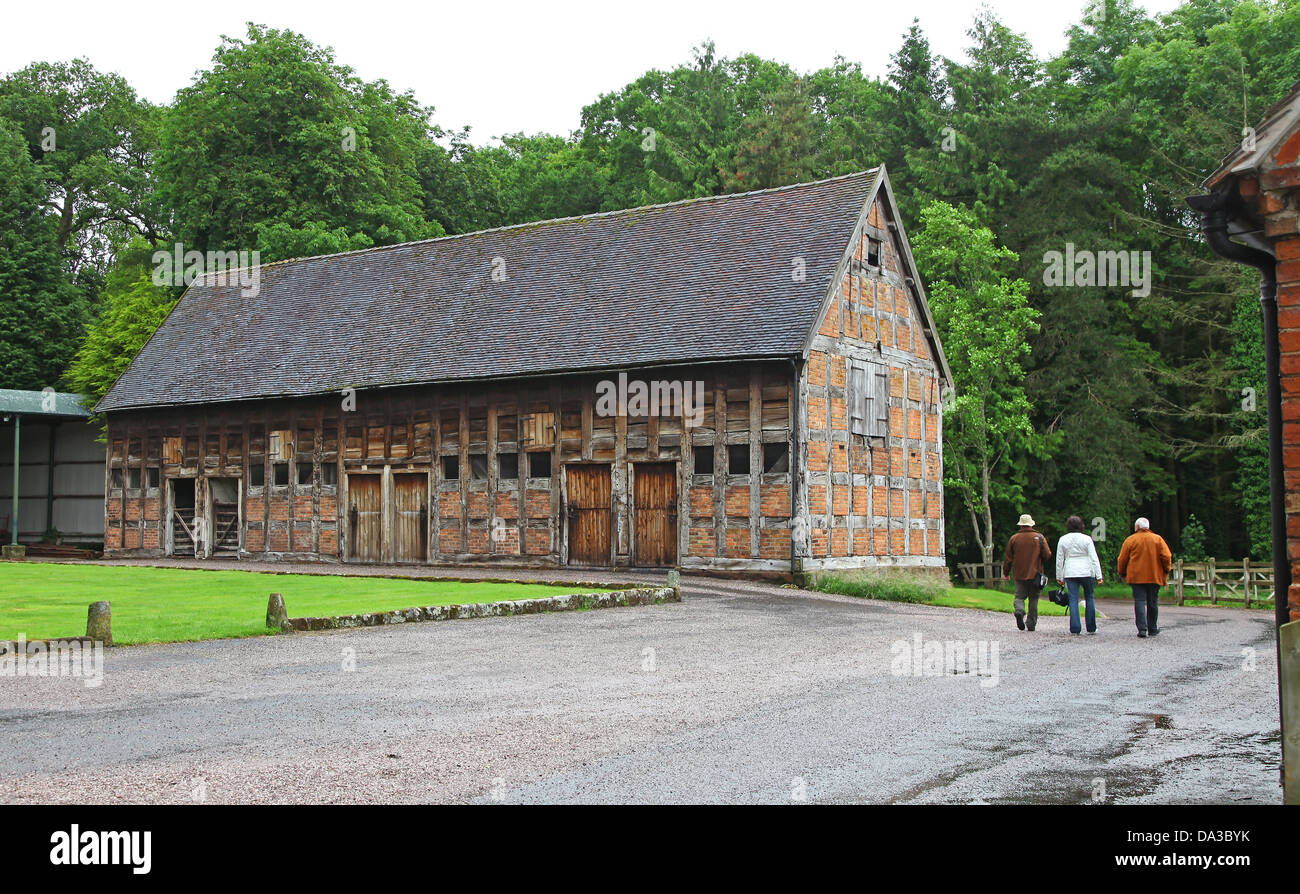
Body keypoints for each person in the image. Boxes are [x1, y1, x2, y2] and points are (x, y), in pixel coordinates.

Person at [1116, 517, 1173, 638]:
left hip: (1136, 577)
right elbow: (1167, 556)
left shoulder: (1130, 540)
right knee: (1153, 601)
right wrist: (1167, 569)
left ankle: (1142, 629)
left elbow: (1122, 559)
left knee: (1139, 601)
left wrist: (1122, 572)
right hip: (1154, 576)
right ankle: (1152, 628)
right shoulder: (1158, 539)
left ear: (1137, 527)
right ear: (1148, 527)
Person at [1003, 513, 1051, 632]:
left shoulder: (1014, 538)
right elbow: (1048, 555)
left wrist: (1006, 572)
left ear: (1021, 525)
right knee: (1034, 598)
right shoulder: (1039, 537)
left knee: (1019, 597)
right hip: (1036, 574)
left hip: (1019, 573)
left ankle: (1019, 611)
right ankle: (1031, 624)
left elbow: (1008, 558)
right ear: (1031, 524)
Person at [1056, 516, 1104, 636]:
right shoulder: (1087, 539)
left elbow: (1059, 559)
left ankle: (1075, 627)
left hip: (1070, 571)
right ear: (1081, 525)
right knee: (1090, 597)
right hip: (1087, 571)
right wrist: (1099, 575)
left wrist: (1059, 576)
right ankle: (1091, 627)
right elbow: (1094, 557)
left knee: (1073, 599)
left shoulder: (1063, 539)